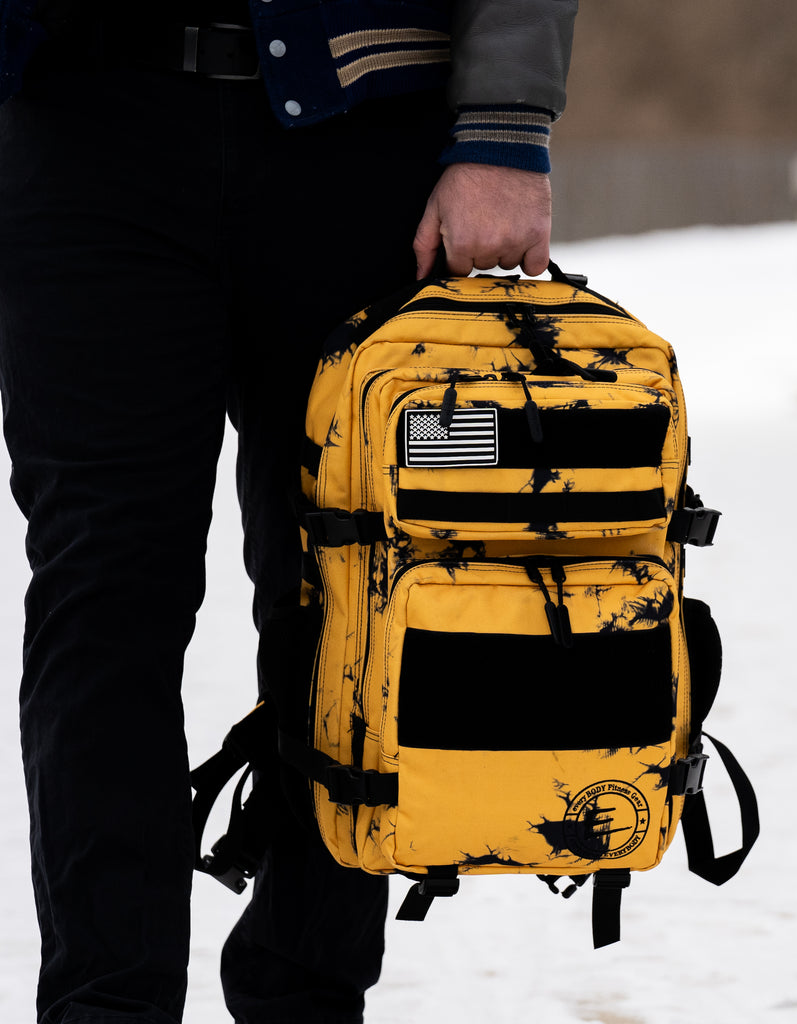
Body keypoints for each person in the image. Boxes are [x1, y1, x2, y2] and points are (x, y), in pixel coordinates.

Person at [0, 2, 577, 1022]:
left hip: (364, 147)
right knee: (99, 595)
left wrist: (504, 126)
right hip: (85, 131)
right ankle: (101, 1005)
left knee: (354, 595)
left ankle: (307, 999)